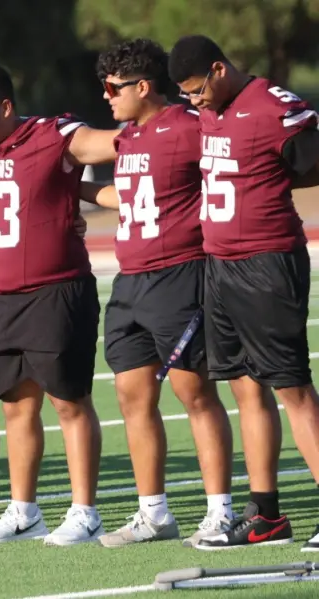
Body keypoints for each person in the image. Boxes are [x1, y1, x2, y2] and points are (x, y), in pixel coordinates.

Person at [0, 64, 119, 546]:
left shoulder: (54, 136)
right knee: (15, 406)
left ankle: (85, 512)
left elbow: (118, 143)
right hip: (0, 296)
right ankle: (24, 511)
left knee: (68, 401)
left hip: (56, 290)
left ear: (6, 107)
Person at [80, 39, 234, 548]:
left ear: (142, 86)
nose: (106, 96)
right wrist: (73, 189)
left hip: (179, 275)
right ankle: (154, 513)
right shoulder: (129, 137)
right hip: (131, 279)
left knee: (194, 392)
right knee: (131, 395)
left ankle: (221, 511)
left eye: (113, 87)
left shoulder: (190, 127)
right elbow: (127, 194)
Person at [169, 35, 319, 551]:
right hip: (220, 265)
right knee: (245, 387)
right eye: (185, 94)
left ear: (219, 69)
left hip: (267, 263)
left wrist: (273, 183)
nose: (194, 101)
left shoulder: (272, 105)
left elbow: (310, 158)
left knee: (292, 388)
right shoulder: (209, 112)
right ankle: (266, 514)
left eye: (197, 90)